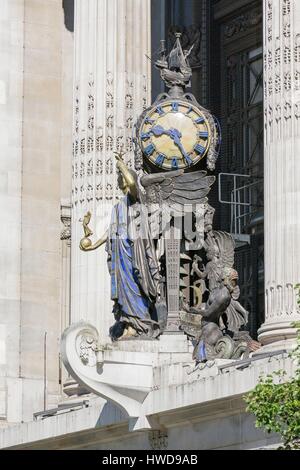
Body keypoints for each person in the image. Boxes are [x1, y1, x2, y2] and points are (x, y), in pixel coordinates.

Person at [80, 152, 161, 341]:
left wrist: (120, 164)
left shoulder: (135, 199)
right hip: (119, 255)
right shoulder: (117, 207)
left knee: (134, 285)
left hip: (133, 253)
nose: (121, 180)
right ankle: (129, 324)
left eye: (122, 177)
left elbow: (133, 183)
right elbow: (110, 232)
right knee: (124, 291)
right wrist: (91, 245)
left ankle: (140, 324)